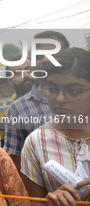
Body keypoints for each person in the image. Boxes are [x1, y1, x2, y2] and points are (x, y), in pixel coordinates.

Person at [21, 47, 90, 205]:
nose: (60, 99)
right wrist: (51, 202)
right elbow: (35, 203)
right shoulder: (36, 143)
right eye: (51, 89)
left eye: (73, 91)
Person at [3, 30, 69, 175]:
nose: (45, 60)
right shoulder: (18, 109)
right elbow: (18, 165)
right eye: (38, 57)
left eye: (54, 55)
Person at [0, 56, 35, 147]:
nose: (26, 75)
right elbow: (10, 156)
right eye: (18, 73)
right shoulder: (8, 116)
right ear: (10, 81)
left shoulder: (55, 100)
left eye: (29, 69)